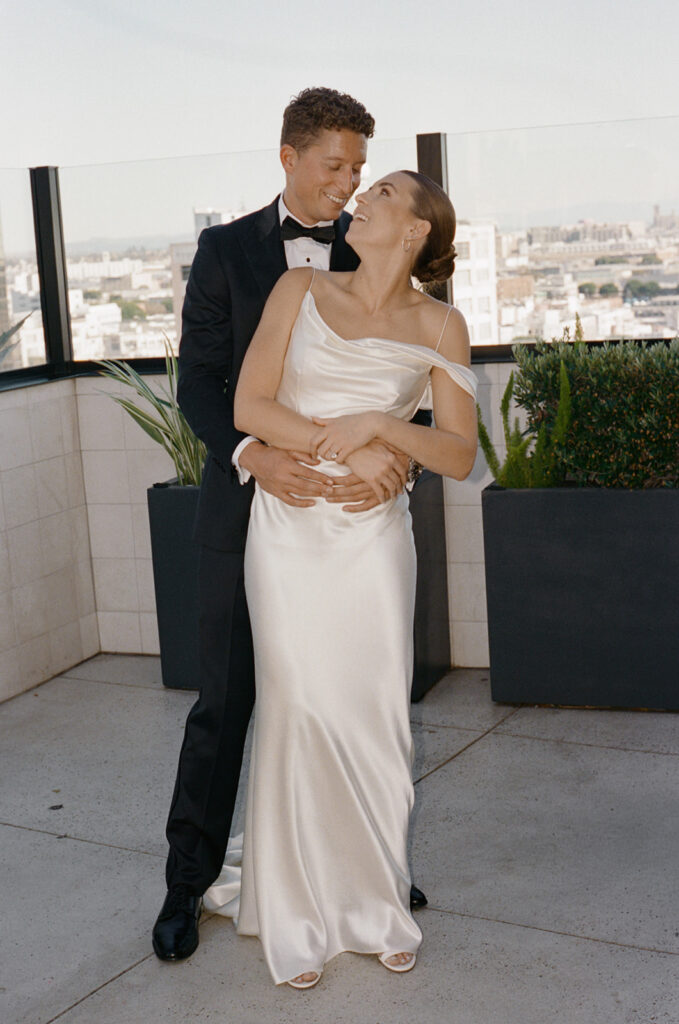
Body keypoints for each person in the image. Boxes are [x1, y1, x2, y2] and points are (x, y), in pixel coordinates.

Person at [152, 87, 428, 964]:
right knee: (226, 703)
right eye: (333, 166)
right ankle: (185, 884)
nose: (348, 186)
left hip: (351, 532)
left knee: (352, 701)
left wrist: (405, 457)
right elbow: (200, 382)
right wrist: (249, 455)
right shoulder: (224, 251)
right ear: (287, 157)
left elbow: (408, 371)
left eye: (358, 171)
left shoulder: (375, 247)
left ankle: (364, 870)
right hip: (248, 516)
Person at [200, 169, 478, 988]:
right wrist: (353, 445)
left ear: (418, 229)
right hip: (289, 536)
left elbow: (457, 454)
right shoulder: (298, 287)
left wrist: (386, 427)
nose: (364, 197)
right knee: (300, 706)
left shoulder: (443, 324)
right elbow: (250, 405)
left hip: (373, 547)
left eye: (385, 191)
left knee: (373, 716)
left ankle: (373, 903)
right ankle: (294, 910)